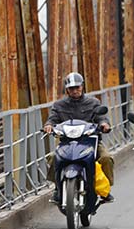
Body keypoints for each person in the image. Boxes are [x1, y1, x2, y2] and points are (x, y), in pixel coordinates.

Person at [44, 72, 115, 203]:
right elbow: (52, 119)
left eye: (78, 87)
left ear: (83, 87)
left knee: (106, 158)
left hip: (90, 142)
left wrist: (104, 124)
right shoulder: (59, 105)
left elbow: (101, 117)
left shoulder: (93, 102)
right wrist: (49, 126)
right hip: (66, 143)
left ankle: (106, 190)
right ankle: (57, 188)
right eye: (72, 88)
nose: (75, 90)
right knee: (53, 157)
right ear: (67, 90)